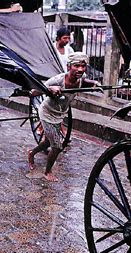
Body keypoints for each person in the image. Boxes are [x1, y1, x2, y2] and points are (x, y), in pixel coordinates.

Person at [28, 52, 100, 182]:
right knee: (57, 146)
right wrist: (50, 89)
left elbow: (85, 82)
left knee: (47, 142)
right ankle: (47, 171)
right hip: (47, 114)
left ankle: (32, 153)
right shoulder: (58, 80)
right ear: (68, 67)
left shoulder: (80, 79)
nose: (80, 69)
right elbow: (33, 92)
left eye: (83, 66)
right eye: (76, 66)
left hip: (59, 115)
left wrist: (95, 83)